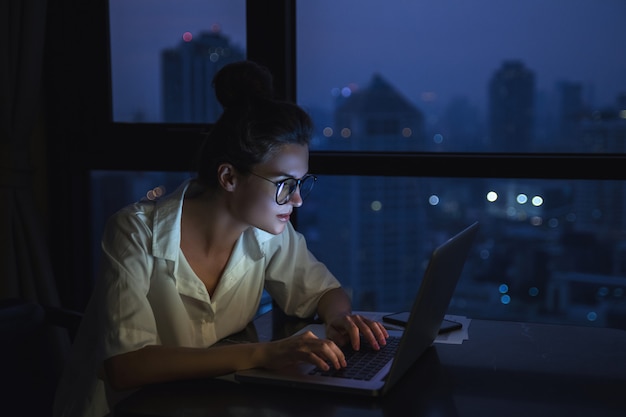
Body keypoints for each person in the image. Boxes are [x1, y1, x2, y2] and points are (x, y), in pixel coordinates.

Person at [53, 60, 389, 417]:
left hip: (205, 401)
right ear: (229, 177)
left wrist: (339, 319)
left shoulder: (267, 229)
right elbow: (125, 367)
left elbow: (324, 292)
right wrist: (264, 354)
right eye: (284, 185)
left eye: (301, 182)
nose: (297, 199)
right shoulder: (134, 232)